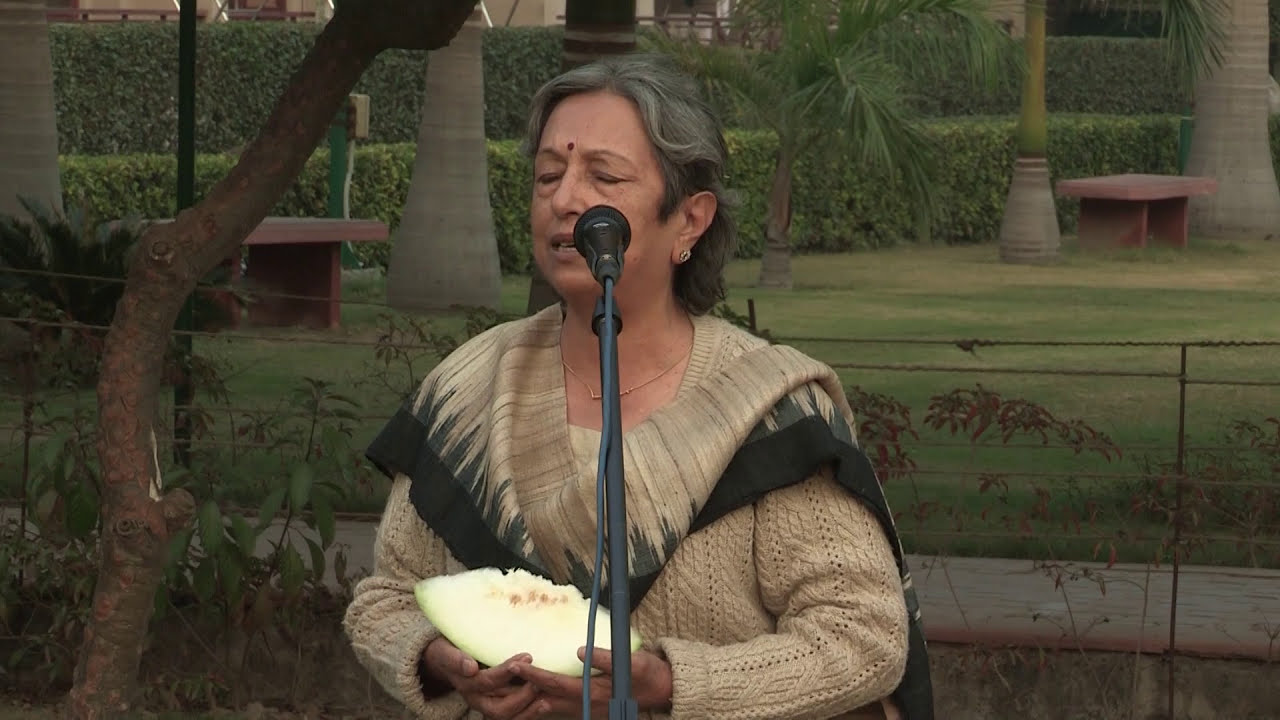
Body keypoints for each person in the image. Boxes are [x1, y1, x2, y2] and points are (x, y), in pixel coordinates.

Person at [343, 52, 933, 720]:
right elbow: (385, 600)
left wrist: (672, 686)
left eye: (603, 175)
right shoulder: (468, 393)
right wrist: (434, 659)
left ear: (689, 219)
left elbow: (863, 639)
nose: (565, 199)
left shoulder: (768, 410)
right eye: (547, 175)